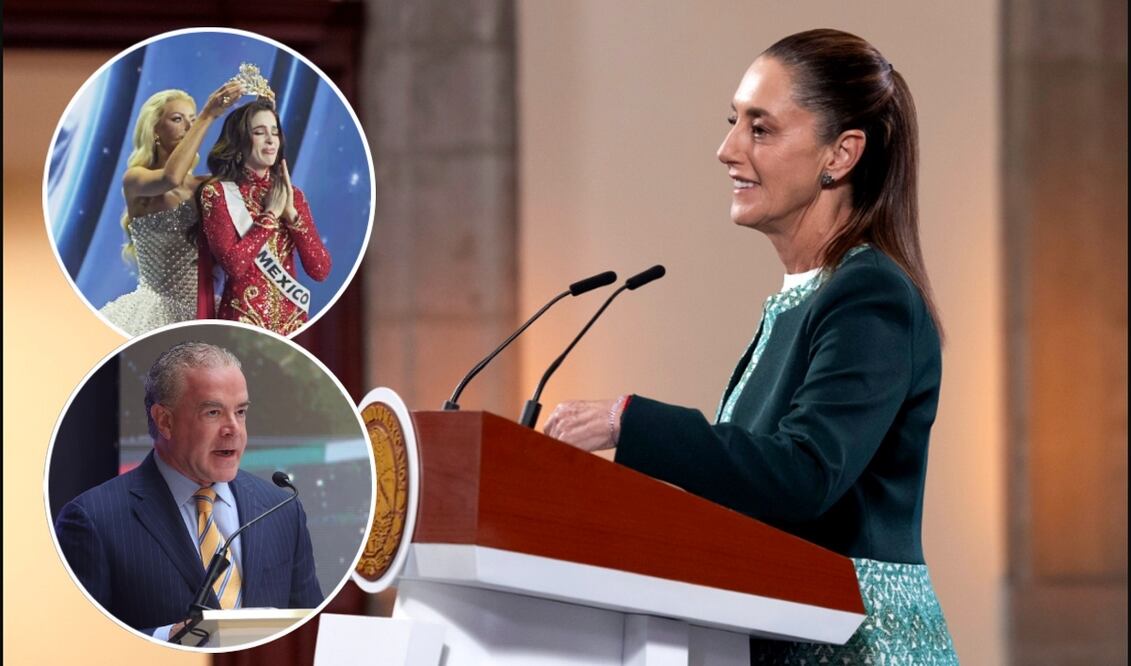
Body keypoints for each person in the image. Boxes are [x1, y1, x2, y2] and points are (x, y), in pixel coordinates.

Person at [543, 29, 958, 664]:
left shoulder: (870, 295)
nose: (727, 149)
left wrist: (626, 420)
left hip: (859, 646)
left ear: (840, 155)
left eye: (760, 129)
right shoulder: (803, 298)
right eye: (734, 122)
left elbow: (803, 475)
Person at [54, 342, 323, 643]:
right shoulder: (94, 519)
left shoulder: (280, 509)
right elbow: (76, 645)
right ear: (165, 421)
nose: (233, 429)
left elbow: (313, 630)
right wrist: (165, 638)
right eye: (213, 412)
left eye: (241, 412)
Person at [99, 83, 244, 335]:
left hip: (206, 309)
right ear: (155, 130)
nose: (189, 127)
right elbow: (171, 179)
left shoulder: (207, 185)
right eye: (178, 119)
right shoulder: (135, 179)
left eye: (192, 119)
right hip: (154, 312)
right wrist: (208, 115)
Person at [198, 100, 331, 336]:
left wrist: (291, 215)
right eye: (259, 132)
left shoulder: (293, 195)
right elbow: (234, 266)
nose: (270, 140)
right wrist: (269, 216)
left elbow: (320, 270)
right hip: (243, 324)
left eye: (275, 132)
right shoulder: (217, 193)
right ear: (239, 142)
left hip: (292, 325)